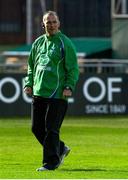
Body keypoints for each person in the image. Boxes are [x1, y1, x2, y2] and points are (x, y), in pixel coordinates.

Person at [24, 10, 79, 171]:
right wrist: (29, 83)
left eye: (54, 22)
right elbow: (31, 66)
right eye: (48, 22)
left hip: (58, 94)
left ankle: (51, 163)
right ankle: (61, 149)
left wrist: (69, 86)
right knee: (36, 128)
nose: (52, 25)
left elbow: (73, 69)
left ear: (59, 24)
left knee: (51, 129)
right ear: (43, 24)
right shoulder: (38, 43)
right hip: (39, 92)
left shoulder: (65, 43)